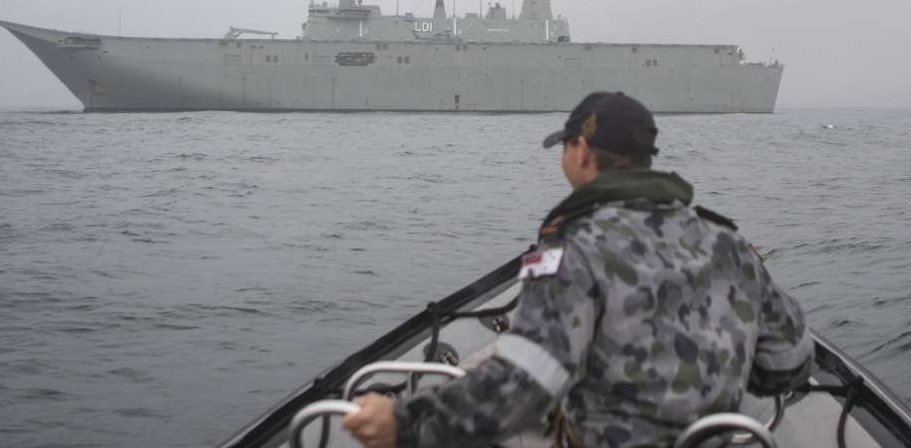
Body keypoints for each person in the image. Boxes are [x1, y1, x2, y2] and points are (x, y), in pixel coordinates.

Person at [344, 91, 813, 448]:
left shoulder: (575, 249)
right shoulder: (729, 244)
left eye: (565, 147)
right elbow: (789, 363)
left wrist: (405, 422)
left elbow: (522, 389)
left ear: (583, 151)